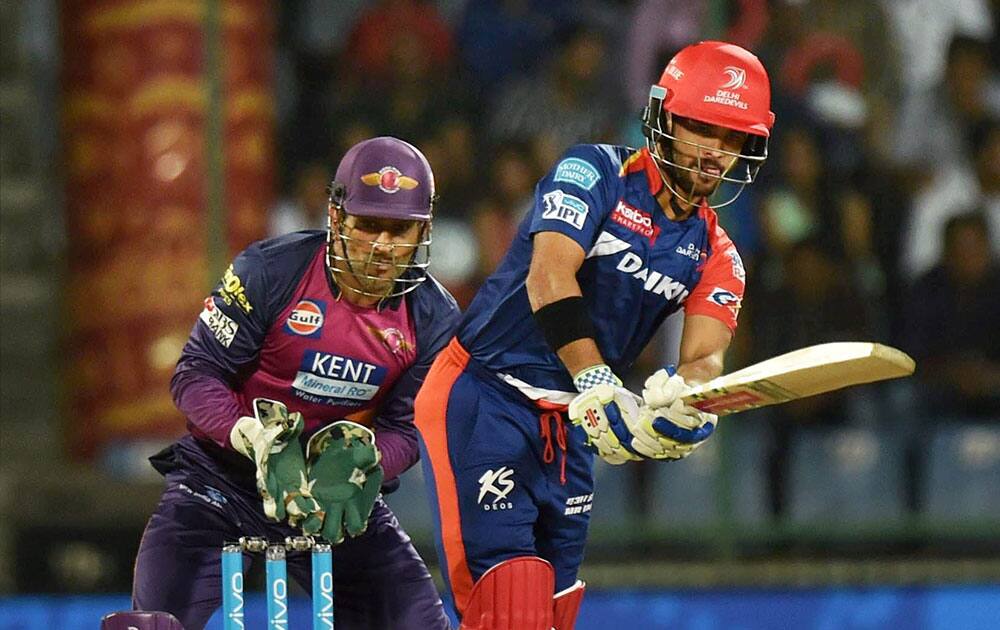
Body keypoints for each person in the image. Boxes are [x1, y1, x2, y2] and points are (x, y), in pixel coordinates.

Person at [414, 41, 775, 629]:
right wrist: (597, 378)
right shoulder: (592, 172)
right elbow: (549, 277)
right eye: (704, 129)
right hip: (484, 397)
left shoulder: (719, 254)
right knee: (504, 606)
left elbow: (705, 357)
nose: (716, 154)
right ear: (664, 117)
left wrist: (682, 410)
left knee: (554, 613)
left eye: (734, 140)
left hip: (574, 425)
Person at [132, 137, 460, 630]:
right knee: (152, 624)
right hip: (221, 483)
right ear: (336, 215)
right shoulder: (271, 271)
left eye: (401, 230)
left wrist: (366, 464)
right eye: (368, 225)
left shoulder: (434, 320)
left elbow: (411, 427)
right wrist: (253, 437)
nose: (382, 247)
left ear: (424, 231)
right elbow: (196, 373)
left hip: (334, 501)